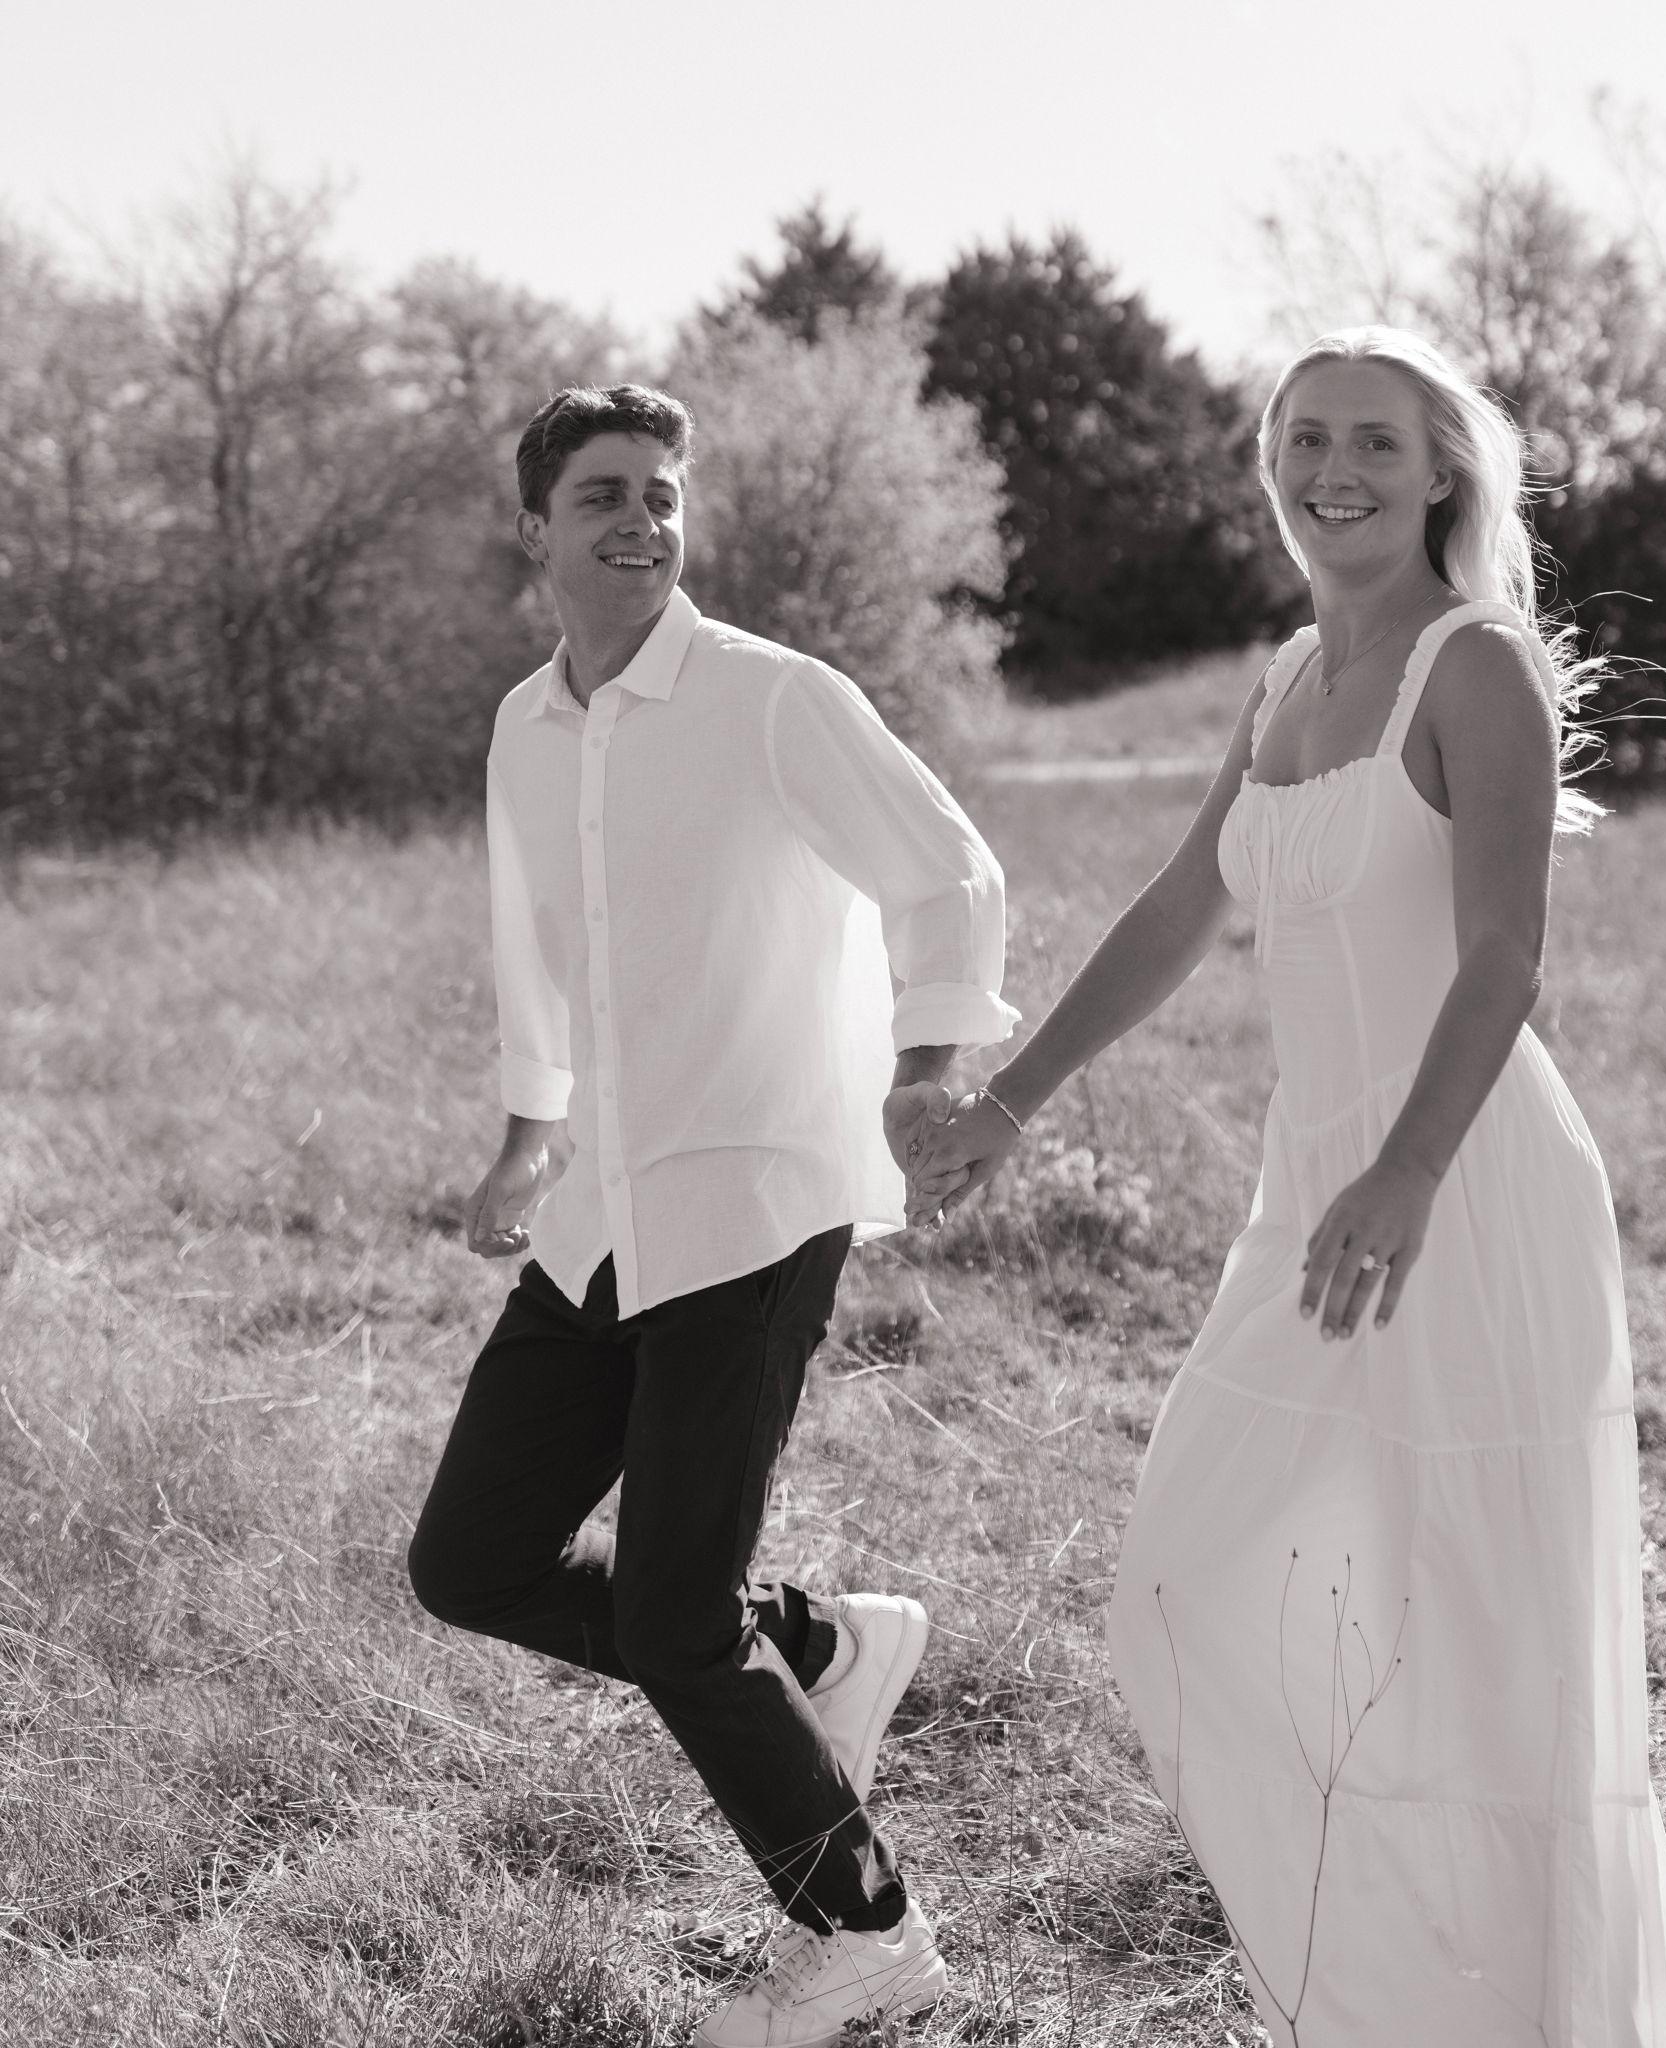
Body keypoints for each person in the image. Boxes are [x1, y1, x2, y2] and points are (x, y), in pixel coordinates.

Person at [910, 328, 1666, 2044]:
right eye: (1304, 440)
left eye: (1373, 442)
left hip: (1464, 1184)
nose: (1332, 472)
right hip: (1311, 1192)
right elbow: (1182, 904)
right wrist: (1013, 1103)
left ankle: (1540, 2004)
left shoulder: (1476, 666)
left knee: (1485, 1621)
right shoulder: (1289, 672)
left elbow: (1504, 957)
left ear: (1441, 475)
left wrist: (1411, 1168)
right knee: (1184, 1575)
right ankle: (1393, 1981)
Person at [405, 384, 1017, 2047]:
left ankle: (865, 1931)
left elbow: (950, 871)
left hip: (755, 1193)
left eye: (663, 494)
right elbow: (536, 950)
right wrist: (527, 1140)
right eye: (603, 494)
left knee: (676, 1614)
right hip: (606, 1206)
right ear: (535, 530)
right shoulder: (528, 728)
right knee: (469, 1559)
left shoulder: (771, 696)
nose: (641, 520)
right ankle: (813, 1648)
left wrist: (925, 1070)